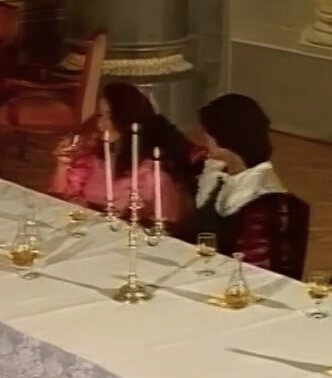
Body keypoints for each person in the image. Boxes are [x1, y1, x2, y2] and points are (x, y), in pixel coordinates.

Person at [180, 94, 309, 275]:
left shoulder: (262, 201)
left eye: (207, 135)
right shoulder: (220, 174)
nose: (204, 140)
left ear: (225, 139)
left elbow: (256, 269)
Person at [50, 82, 198, 226]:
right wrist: (62, 166)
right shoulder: (92, 158)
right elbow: (61, 198)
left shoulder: (153, 176)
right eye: (100, 115)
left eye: (110, 116)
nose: (101, 123)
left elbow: (169, 227)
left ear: (126, 120)